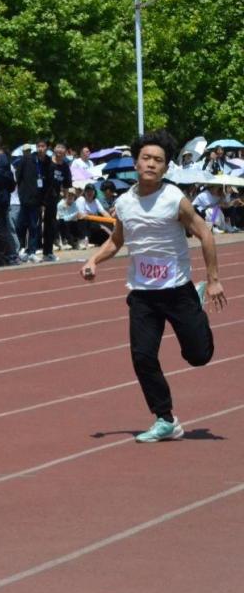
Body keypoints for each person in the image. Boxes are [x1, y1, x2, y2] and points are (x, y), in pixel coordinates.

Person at [80, 129, 226, 443]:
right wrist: (94, 260)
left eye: (158, 160)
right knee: (143, 357)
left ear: (165, 167)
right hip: (143, 294)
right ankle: (165, 419)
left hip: (177, 291)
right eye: (146, 158)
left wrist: (214, 280)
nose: (151, 164)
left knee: (199, 356)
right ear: (136, 162)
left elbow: (205, 234)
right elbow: (116, 241)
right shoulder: (124, 203)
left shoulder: (174, 199)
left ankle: (197, 299)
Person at [15, 139, 52, 262]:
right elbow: (18, 176)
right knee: (21, 225)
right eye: (38, 146)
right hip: (25, 198)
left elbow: (48, 183)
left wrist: (44, 202)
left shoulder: (48, 162)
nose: (40, 148)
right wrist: (21, 194)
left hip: (38, 201)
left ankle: (32, 251)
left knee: (34, 226)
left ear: (47, 148)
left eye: (43, 146)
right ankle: (19, 249)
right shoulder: (27, 159)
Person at [43, 143, 72, 261]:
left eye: (62, 148)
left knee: (50, 225)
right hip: (41, 197)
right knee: (35, 224)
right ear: (54, 150)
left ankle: (48, 252)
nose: (59, 150)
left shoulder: (65, 166)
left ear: (65, 152)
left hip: (53, 199)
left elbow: (66, 185)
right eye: (58, 148)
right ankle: (30, 251)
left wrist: (65, 200)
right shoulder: (47, 162)